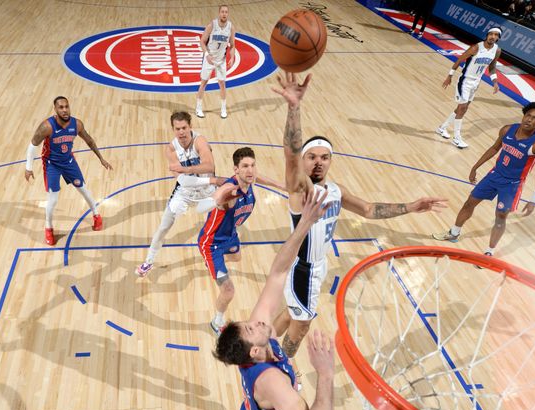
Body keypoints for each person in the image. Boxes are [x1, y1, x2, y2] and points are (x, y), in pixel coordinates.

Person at [272, 73, 447, 365]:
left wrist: (411, 206)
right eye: (311, 156)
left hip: (317, 265)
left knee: (292, 312)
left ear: (330, 161)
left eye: (324, 157)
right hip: (303, 268)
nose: (317, 161)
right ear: (304, 162)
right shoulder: (302, 190)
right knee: (302, 325)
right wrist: (294, 107)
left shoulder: (336, 191)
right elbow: (290, 154)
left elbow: (368, 210)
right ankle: (280, 366)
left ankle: (264, 349)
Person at [213, 187, 336, 410]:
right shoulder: (270, 381)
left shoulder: (257, 343)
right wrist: (325, 374)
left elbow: (278, 274)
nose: (258, 320)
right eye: (252, 327)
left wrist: (304, 225)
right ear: (255, 350)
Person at [432, 102, 535, 258]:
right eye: (528, 115)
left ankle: (489, 252)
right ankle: (454, 233)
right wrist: (475, 167)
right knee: (469, 202)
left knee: (501, 216)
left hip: (512, 184)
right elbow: (495, 148)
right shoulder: (507, 129)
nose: (529, 120)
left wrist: (534, 199)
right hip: (494, 175)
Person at [195, 147, 285, 335]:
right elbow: (206, 204)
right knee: (228, 291)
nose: (250, 170)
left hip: (230, 235)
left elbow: (260, 178)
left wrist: (282, 186)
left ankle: (212, 265)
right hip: (212, 244)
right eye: (245, 166)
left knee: (236, 257)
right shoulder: (229, 190)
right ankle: (216, 322)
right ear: (236, 170)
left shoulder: (249, 179)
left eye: (252, 165)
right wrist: (216, 201)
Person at [136, 111, 224, 277]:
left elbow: (209, 166)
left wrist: (186, 169)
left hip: (207, 192)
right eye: (178, 129)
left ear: (190, 127)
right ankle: (148, 261)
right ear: (173, 129)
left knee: (216, 228)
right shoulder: (171, 149)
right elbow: (183, 181)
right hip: (186, 192)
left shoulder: (200, 141)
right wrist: (206, 179)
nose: (181, 132)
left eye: (184, 127)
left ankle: (211, 257)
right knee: (163, 227)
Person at [25, 96, 112, 245]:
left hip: (69, 162)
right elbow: (33, 145)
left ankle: (96, 215)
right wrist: (28, 167)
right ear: (55, 109)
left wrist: (101, 158)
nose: (65, 110)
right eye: (61, 107)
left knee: (83, 189)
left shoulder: (76, 124)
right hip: (51, 164)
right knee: (53, 199)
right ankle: (48, 228)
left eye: (66, 106)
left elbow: (89, 140)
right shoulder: (47, 126)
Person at [437, 27, 503, 149]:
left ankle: (442, 127)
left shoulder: (497, 50)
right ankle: (456, 138)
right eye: (491, 34)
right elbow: (459, 60)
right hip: (465, 81)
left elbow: (492, 68)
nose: (493, 36)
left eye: (496, 35)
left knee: (463, 108)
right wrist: (449, 76)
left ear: (498, 37)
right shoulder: (476, 47)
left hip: (476, 82)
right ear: (487, 35)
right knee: (462, 108)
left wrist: (495, 82)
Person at [195, 5, 235, 119]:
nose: (224, 14)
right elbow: (202, 41)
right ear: (219, 13)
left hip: (221, 60)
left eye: (226, 12)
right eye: (222, 12)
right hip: (210, 59)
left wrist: (232, 58)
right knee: (204, 83)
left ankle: (223, 109)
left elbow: (232, 45)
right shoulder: (212, 25)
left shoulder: (231, 27)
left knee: (222, 84)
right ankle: (198, 108)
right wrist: (207, 55)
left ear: (228, 13)